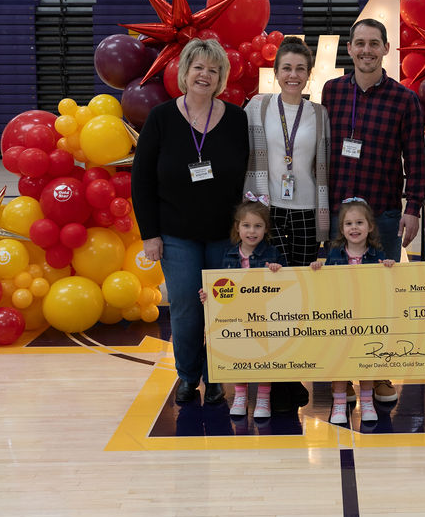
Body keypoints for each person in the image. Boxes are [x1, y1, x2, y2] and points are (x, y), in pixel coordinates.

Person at [132, 38, 249, 407]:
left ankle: (216, 378)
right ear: (184, 73)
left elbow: (247, 175)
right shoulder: (162, 118)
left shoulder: (236, 118)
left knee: (221, 306)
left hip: (224, 235)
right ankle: (187, 375)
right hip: (176, 234)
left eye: (213, 70)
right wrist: (150, 234)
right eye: (198, 67)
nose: (205, 75)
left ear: (221, 78)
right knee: (185, 305)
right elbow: (142, 179)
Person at [320, 18, 425, 405]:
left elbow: (416, 161)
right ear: (349, 48)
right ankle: (342, 376)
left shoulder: (405, 100)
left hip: (381, 215)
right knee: (337, 301)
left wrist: (413, 208)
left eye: (374, 44)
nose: (366, 50)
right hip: (336, 217)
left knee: (379, 301)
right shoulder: (330, 92)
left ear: (386, 49)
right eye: (359, 43)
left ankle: (379, 374)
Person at [244, 36, 330, 266]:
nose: (293, 75)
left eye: (300, 69)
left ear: (309, 74)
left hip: (307, 209)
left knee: (302, 280)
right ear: (276, 72)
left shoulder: (319, 114)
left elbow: (325, 164)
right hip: (266, 208)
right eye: (287, 68)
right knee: (274, 279)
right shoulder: (257, 106)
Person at [310, 198, 396, 425]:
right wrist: (318, 268)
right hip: (340, 320)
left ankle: (366, 401)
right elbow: (324, 283)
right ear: (341, 228)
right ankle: (339, 402)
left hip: (367, 318)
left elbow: (386, 286)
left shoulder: (377, 255)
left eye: (359, 222)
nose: (354, 228)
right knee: (340, 361)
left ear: (370, 226)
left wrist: (387, 267)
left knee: (365, 359)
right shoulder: (334, 254)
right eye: (349, 223)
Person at [198, 197, 284, 419]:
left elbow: (283, 289)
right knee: (238, 352)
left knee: (265, 356)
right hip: (237, 317)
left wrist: (277, 270)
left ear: (266, 229)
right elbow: (220, 286)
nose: (252, 231)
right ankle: (240, 394)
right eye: (246, 226)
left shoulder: (272, 254)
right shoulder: (228, 255)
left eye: (258, 226)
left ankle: (264, 397)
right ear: (238, 227)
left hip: (264, 317)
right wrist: (209, 295)